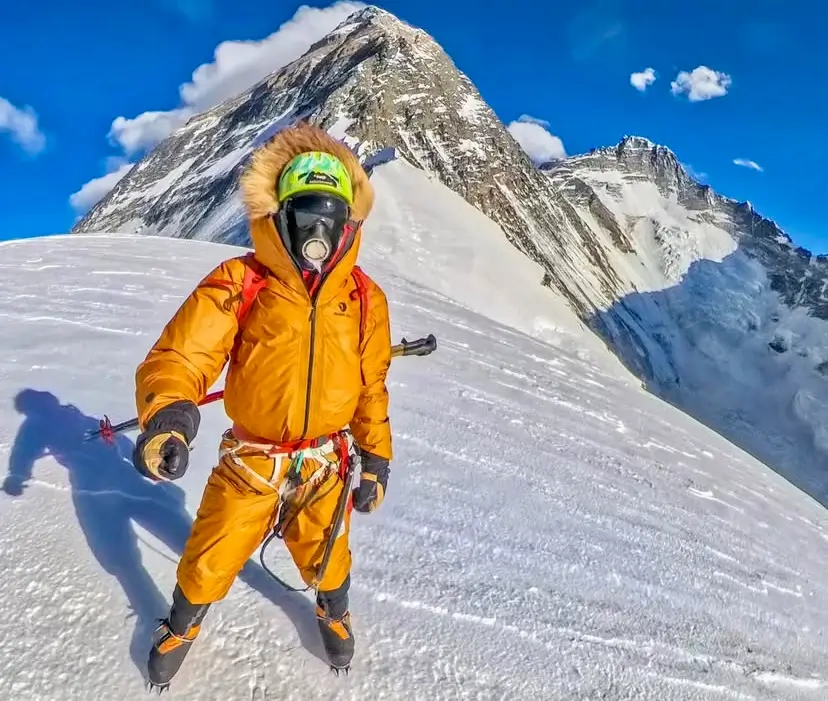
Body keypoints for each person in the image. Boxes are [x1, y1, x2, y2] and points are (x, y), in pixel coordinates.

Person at [131, 122, 393, 689]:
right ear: (281, 214)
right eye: (306, 210)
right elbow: (183, 354)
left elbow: (371, 384)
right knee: (212, 552)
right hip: (252, 458)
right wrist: (169, 415)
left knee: (327, 552)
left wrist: (375, 458)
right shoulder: (241, 280)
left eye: (330, 212)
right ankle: (182, 621)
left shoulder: (365, 298)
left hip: (326, 461)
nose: (318, 228)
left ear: (348, 222)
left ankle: (333, 609)